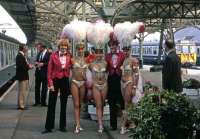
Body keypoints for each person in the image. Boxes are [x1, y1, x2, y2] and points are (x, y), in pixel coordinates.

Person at [43, 39, 72, 133]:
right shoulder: (53, 56)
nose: (64, 47)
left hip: (65, 80)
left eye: (65, 46)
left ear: (67, 47)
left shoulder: (69, 56)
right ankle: (48, 127)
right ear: (59, 47)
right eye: (62, 46)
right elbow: (49, 72)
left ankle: (62, 126)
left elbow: (74, 66)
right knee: (51, 104)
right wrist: (50, 84)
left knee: (64, 104)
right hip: (55, 80)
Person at [120, 46, 142, 134]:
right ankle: (132, 124)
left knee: (126, 105)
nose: (125, 52)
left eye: (127, 50)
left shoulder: (134, 60)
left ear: (130, 50)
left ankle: (123, 126)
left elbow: (136, 74)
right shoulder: (124, 60)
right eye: (124, 50)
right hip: (123, 84)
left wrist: (134, 87)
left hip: (130, 83)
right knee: (129, 105)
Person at [106, 32, 125, 130]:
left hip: (120, 79)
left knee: (122, 102)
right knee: (112, 103)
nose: (112, 47)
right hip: (111, 80)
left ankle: (124, 124)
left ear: (117, 45)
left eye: (114, 45)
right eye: (111, 45)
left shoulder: (122, 55)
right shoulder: (107, 56)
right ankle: (113, 125)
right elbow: (105, 68)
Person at [90, 47, 107, 133]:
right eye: (97, 53)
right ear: (94, 54)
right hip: (95, 85)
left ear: (102, 54)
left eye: (100, 52)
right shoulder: (91, 64)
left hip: (104, 85)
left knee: (103, 104)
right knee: (98, 105)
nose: (99, 54)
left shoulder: (105, 63)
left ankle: (101, 120)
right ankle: (100, 124)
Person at [71, 43, 87, 133]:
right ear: (76, 50)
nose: (80, 50)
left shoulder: (86, 60)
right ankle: (77, 125)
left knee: (80, 104)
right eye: (79, 49)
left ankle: (78, 123)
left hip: (83, 83)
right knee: (76, 104)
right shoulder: (72, 59)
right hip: (74, 82)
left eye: (82, 49)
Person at [15, 44, 33, 110]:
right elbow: (21, 66)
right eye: (26, 47)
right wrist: (29, 67)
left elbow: (22, 65)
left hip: (23, 76)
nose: (27, 48)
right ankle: (21, 105)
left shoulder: (22, 55)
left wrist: (28, 66)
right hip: (22, 76)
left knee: (22, 91)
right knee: (22, 91)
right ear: (23, 48)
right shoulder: (20, 56)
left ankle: (20, 104)